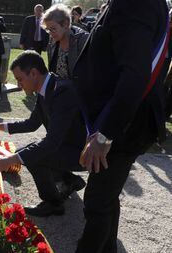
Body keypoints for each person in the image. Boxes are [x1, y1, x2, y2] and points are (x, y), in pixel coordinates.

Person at [72, 0, 169, 252]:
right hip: (120, 122)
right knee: (105, 199)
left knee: (97, 202)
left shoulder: (135, 4)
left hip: (124, 126)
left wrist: (104, 135)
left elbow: (135, 75)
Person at [0, 51, 87, 217]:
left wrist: (8, 161)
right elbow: (32, 124)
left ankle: (53, 203)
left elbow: (51, 143)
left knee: (33, 156)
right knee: (24, 153)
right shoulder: (47, 87)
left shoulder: (62, 92)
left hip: (82, 153)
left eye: (20, 79)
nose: (18, 84)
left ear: (33, 73)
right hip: (67, 146)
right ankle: (68, 180)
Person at [43, 4, 88, 80]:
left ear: (65, 24)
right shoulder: (53, 41)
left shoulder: (83, 40)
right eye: (48, 29)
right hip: (59, 89)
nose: (50, 33)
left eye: (53, 29)